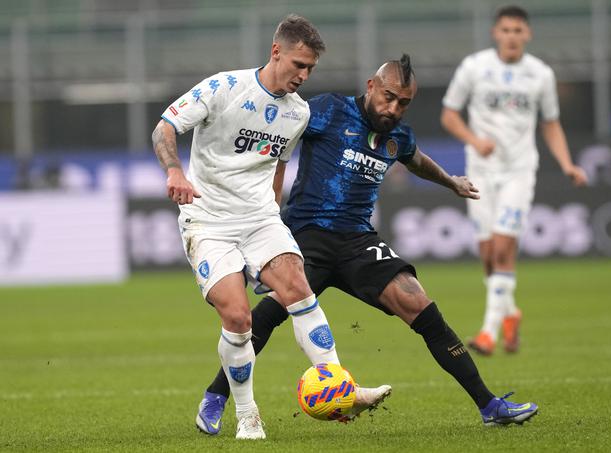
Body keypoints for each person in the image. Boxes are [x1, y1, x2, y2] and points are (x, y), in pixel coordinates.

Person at [194, 53, 539, 435]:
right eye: (388, 96)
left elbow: (416, 160)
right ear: (371, 86)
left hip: (359, 242)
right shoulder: (326, 110)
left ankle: (489, 405)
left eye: (403, 102)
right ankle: (216, 397)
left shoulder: (398, 135)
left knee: (421, 305)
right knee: (268, 315)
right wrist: (261, 194)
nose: (393, 108)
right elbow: (276, 136)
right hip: (307, 237)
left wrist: (451, 182)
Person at [151, 14, 389, 440]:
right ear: (276, 51)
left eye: (310, 68)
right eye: (298, 64)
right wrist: (174, 171)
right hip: (208, 220)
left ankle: (340, 385)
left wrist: (275, 214)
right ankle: (247, 413)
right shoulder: (224, 88)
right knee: (239, 318)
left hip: (260, 220)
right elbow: (165, 127)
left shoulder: (296, 114)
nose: (303, 75)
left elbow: (277, 167)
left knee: (299, 288)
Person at [440, 5, 588, 356]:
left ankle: (488, 332)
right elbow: (449, 114)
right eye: (505, 30)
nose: (511, 36)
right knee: (489, 254)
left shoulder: (540, 74)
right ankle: (510, 313)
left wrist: (567, 163)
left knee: (505, 248)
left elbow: (550, 123)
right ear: (496, 33)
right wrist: (475, 141)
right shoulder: (474, 67)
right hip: (479, 171)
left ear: (528, 35)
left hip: (519, 171)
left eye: (518, 31)